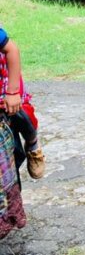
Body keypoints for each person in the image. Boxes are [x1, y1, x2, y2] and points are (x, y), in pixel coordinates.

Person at [0, 26, 45, 180]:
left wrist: (12, 92)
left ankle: (32, 143)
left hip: (5, 86)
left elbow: (12, 49)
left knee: (22, 114)